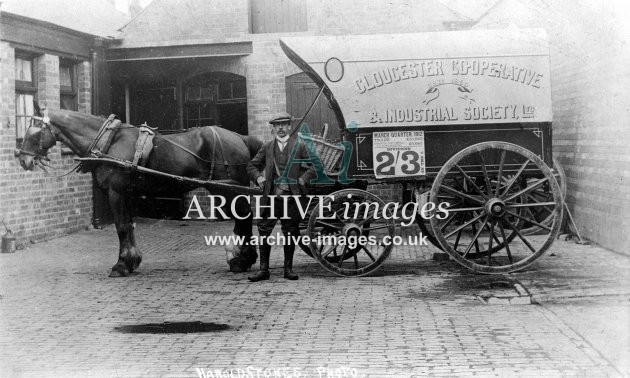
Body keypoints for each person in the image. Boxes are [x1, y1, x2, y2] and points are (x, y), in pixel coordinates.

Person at [247, 112, 316, 282]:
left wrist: (302, 179)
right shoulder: (267, 147)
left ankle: (288, 269)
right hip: (270, 196)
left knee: (290, 232)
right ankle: (263, 270)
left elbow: (314, 167)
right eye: (277, 125)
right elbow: (251, 166)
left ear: (290, 127)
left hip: (291, 198)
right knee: (264, 231)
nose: (281, 128)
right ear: (273, 129)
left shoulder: (299, 146)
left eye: (284, 124)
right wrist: (259, 177)